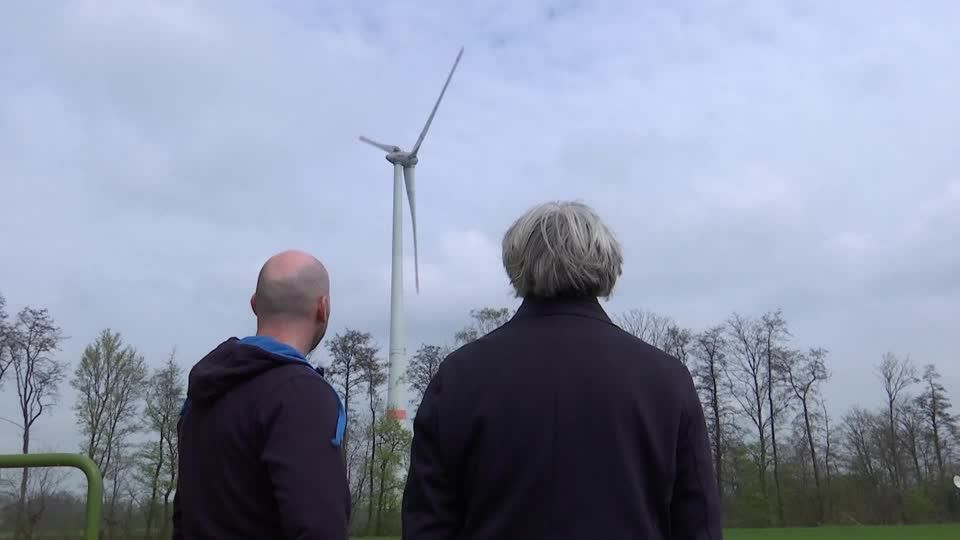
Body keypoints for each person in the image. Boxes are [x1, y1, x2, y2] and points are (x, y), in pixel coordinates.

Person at [402, 201, 722, 539]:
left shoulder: (458, 377)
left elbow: (428, 524)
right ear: (607, 260)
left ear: (515, 262)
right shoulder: (666, 379)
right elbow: (697, 524)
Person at [173, 249, 349, 540]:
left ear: (255, 305)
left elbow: (183, 518)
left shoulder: (202, 393)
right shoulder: (302, 396)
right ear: (323, 308)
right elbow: (319, 528)